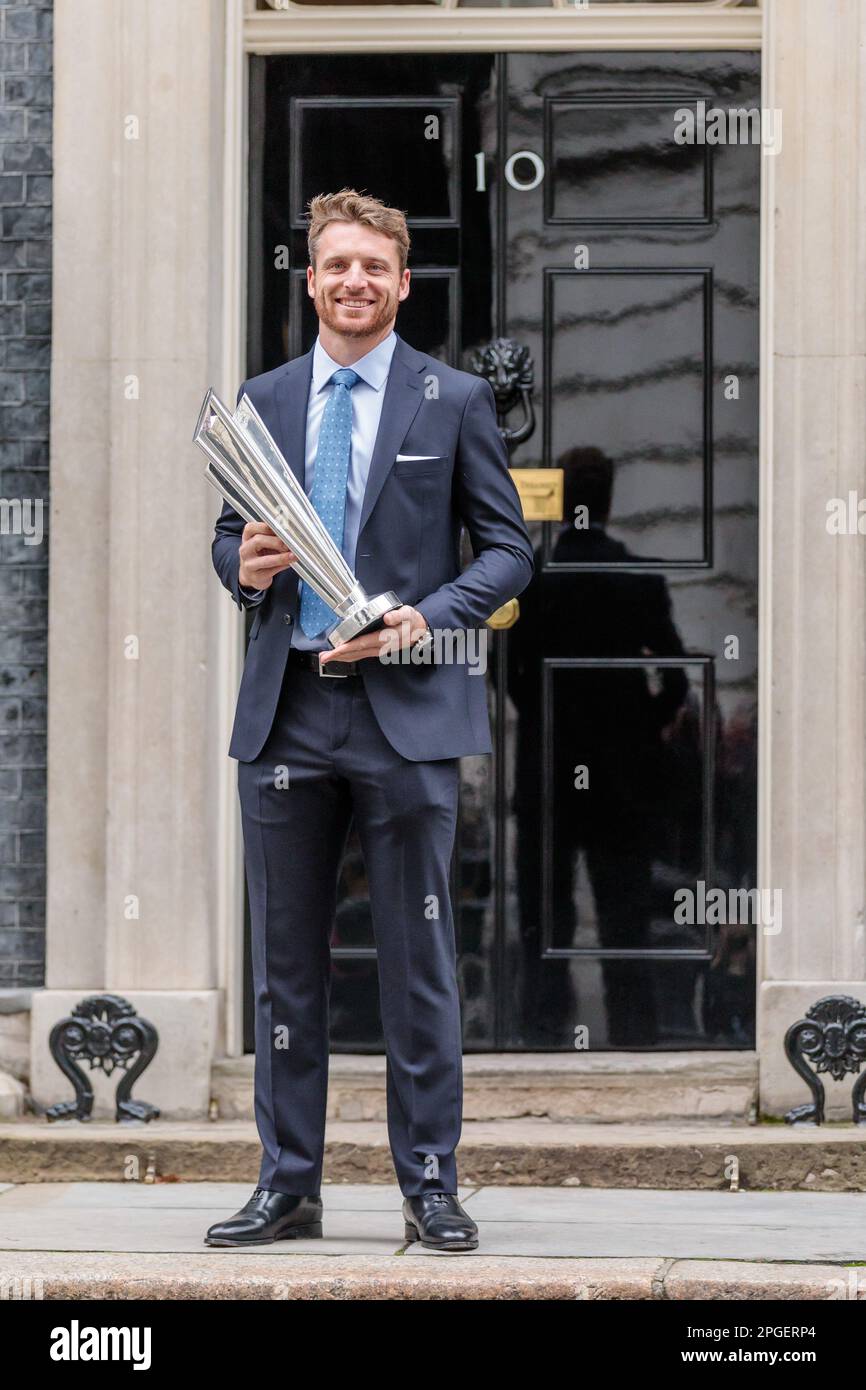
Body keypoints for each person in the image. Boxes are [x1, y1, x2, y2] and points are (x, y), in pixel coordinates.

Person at [206, 188, 533, 1252]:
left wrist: (421, 619)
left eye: (373, 268)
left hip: (406, 717)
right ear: (310, 278)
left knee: (419, 962)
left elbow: (505, 550)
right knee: (287, 971)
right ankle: (287, 1185)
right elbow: (228, 538)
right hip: (290, 712)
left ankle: (430, 1183)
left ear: (400, 283)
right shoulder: (263, 396)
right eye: (335, 265)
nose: (353, 282)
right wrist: (242, 562)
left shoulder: (451, 399)